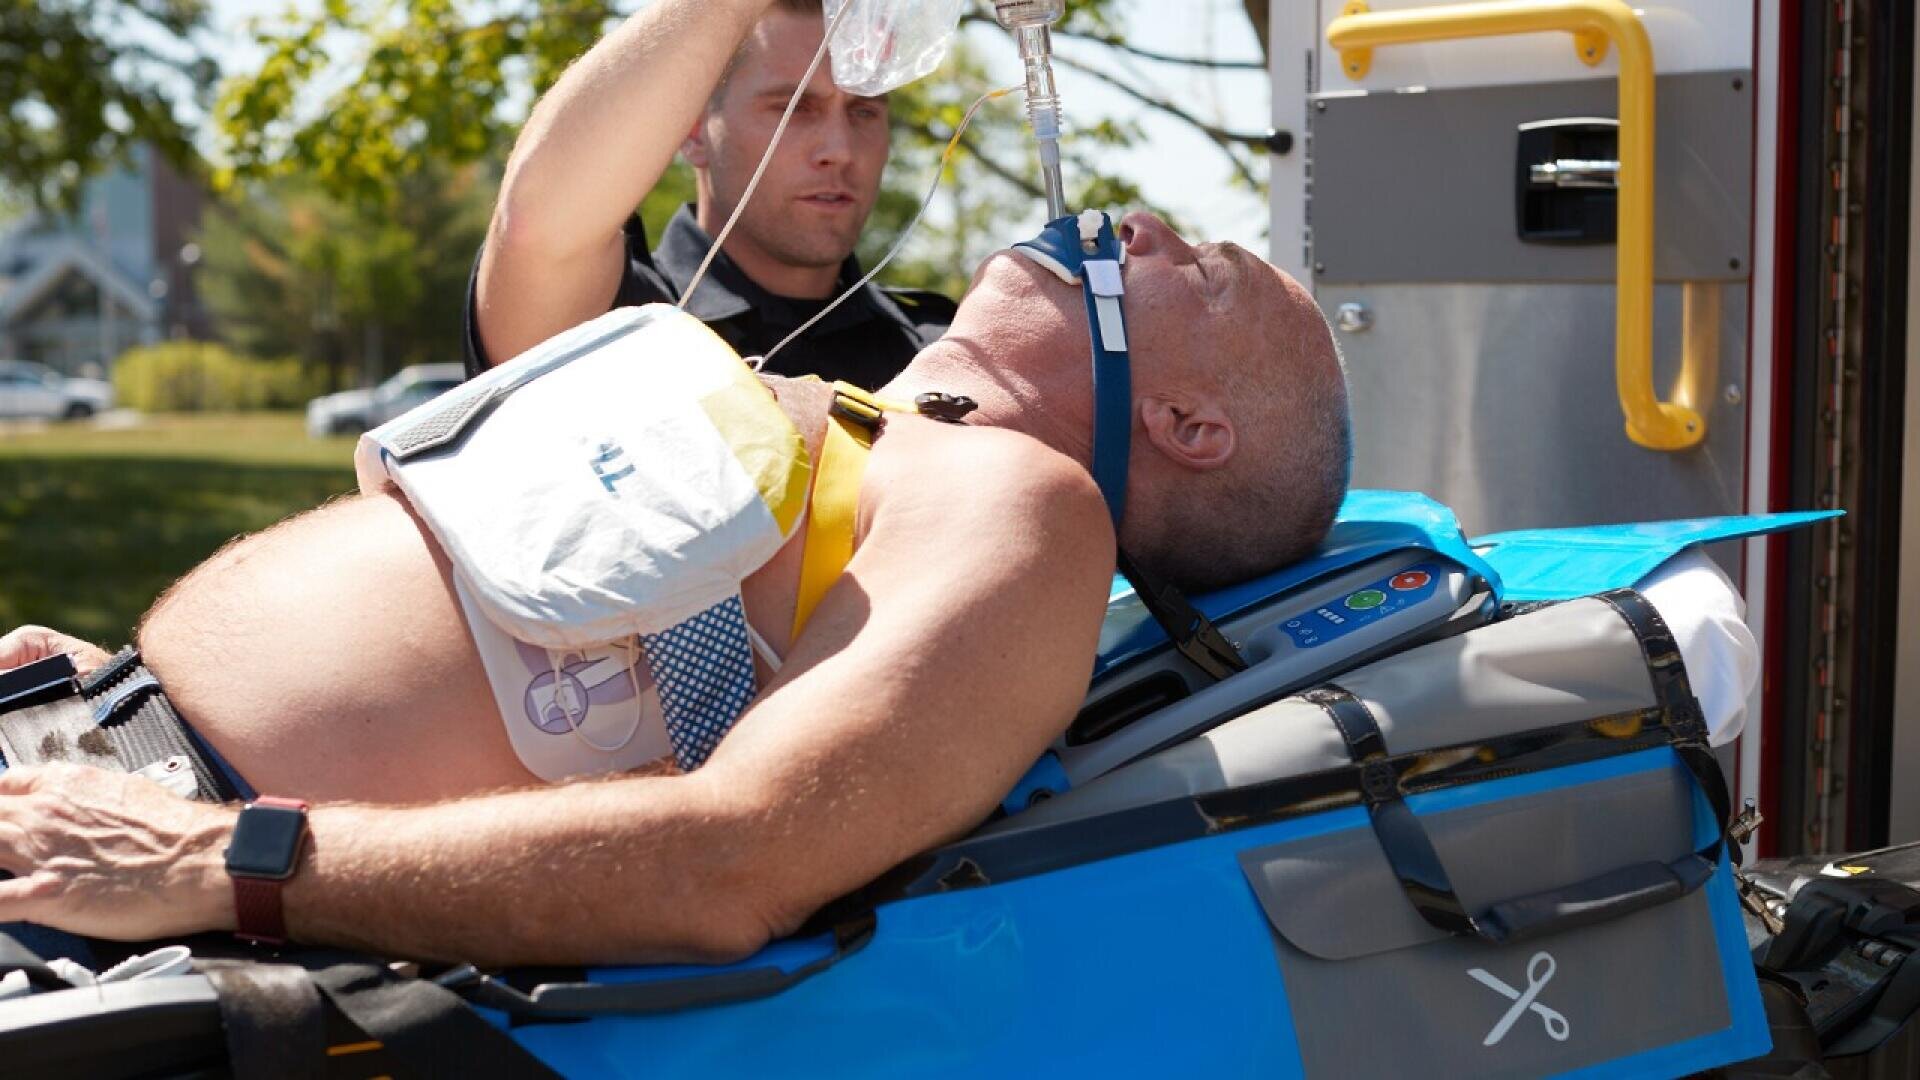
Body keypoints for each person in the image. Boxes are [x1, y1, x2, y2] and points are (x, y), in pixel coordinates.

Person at [0, 0, 1350, 967]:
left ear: (1189, 423)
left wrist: (198, 859)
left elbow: (731, 859)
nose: (1149, 224)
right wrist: (116, 700)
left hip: (136, 883)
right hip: (79, 766)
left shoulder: (1026, 515)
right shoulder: (877, 423)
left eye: (1207, 269)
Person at [467, 0, 956, 388]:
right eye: (793, 109)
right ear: (695, 131)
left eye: (865, 111)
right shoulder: (613, 321)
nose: (840, 150)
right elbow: (536, 226)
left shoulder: (941, 352)